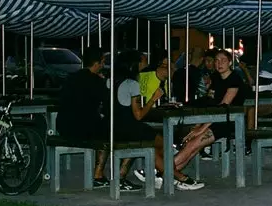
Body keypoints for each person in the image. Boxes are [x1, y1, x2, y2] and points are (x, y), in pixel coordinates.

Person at [114, 50, 203, 191]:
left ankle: (165, 175)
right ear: (134, 63)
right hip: (129, 126)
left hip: (115, 125)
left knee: (157, 144)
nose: (146, 63)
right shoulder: (132, 84)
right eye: (143, 60)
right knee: (163, 144)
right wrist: (153, 100)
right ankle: (178, 176)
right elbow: (139, 115)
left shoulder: (112, 80)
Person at [175, 49, 249, 175]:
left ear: (230, 62)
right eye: (217, 60)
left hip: (228, 121)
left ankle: (159, 170)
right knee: (189, 144)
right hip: (212, 119)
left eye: (223, 60)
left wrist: (202, 128)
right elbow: (209, 100)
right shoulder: (215, 78)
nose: (219, 63)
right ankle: (169, 174)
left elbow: (222, 108)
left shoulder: (235, 79)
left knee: (193, 144)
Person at [56, 48, 115, 188]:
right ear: (97, 63)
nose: (103, 65)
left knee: (98, 126)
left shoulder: (71, 77)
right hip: (82, 127)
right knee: (108, 133)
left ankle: (98, 173)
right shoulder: (96, 81)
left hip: (64, 125)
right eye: (102, 62)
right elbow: (107, 102)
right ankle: (98, 174)